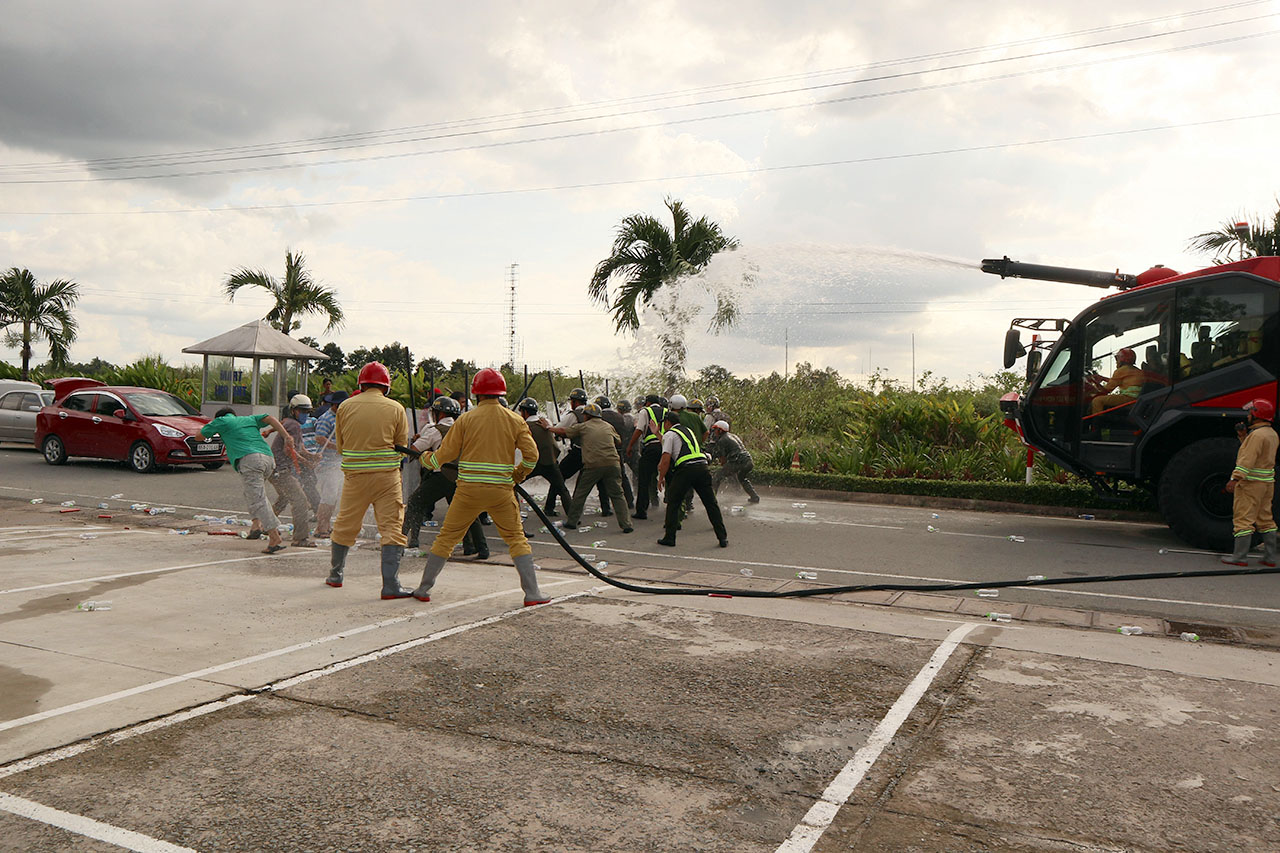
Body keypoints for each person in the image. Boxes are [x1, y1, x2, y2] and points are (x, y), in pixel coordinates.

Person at [410, 368, 549, 607]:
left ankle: (424, 588)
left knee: (446, 538)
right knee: (516, 539)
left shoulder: (466, 419)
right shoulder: (515, 419)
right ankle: (532, 593)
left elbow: (446, 454)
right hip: (501, 491)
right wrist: (518, 474)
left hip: (468, 492)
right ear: (500, 393)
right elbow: (531, 456)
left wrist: (426, 459)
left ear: (476, 394)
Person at [325, 362, 413, 599]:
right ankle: (390, 585)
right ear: (386, 386)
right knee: (393, 527)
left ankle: (336, 575)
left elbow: (342, 446)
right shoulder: (396, 408)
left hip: (355, 476)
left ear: (361, 384)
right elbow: (401, 445)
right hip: (387, 478)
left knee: (346, 522)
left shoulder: (344, 407)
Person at [401, 396, 488, 558]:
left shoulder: (435, 430)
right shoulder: (465, 429)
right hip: (463, 475)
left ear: (439, 414)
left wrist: (416, 442)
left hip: (441, 476)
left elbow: (414, 451)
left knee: (415, 502)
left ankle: (402, 541)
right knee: (467, 511)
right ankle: (479, 548)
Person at [199, 407, 294, 554]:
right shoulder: (248, 419)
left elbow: (199, 436)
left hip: (250, 460)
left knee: (258, 499)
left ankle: (274, 536)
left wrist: (215, 430)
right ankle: (255, 526)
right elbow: (270, 418)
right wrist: (286, 436)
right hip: (268, 459)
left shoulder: (221, 421)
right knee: (251, 493)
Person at [549, 402, 633, 532]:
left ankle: (572, 521)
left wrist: (549, 428)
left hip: (594, 465)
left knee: (580, 494)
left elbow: (564, 431)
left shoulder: (583, 427)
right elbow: (618, 441)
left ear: (587, 416)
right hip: (613, 464)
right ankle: (626, 524)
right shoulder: (608, 426)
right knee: (617, 495)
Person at [656, 408, 728, 548]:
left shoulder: (670, 434)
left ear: (668, 422)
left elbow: (665, 459)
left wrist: (660, 478)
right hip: (702, 467)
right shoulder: (688, 431)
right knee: (710, 503)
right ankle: (722, 537)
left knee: (673, 501)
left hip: (686, 470)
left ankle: (669, 538)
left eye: (663, 423)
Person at [1221, 398, 1279, 566]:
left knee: (1243, 519)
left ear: (1257, 415)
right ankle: (1270, 557)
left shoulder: (1257, 435)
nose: (1247, 416)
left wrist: (1234, 479)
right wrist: (1243, 437)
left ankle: (1239, 557)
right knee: (1266, 519)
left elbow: (1247, 459)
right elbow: (1260, 455)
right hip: (1266, 484)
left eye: (1250, 413)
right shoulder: (1271, 434)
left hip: (1250, 484)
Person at [268, 394, 318, 546]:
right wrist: (306, 462)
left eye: (307, 412)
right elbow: (288, 450)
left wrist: (312, 457)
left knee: (284, 498)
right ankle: (300, 538)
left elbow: (300, 448)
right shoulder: (294, 425)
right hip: (280, 469)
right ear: (293, 411)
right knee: (300, 501)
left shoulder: (293, 424)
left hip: (276, 469)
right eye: (302, 411)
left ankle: (264, 526)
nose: (305, 414)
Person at [517, 397, 573, 513]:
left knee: (512, 483)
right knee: (562, 489)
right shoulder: (546, 422)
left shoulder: (524, 426)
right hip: (550, 462)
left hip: (533, 463)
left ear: (525, 412)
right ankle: (572, 517)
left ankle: (511, 513)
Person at [311, 390, 348, 538]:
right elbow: (319, 438)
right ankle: (321, 527)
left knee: (333, 496)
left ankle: (326, 525)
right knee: (328, 496)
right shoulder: (326, 419)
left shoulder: (341, 418)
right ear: (336, 405)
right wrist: (338, 447)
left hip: (337, 462)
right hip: (327, 463)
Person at [626, 394, 666, 520]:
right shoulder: (666, 411)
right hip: (666, 447)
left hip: (651, 448)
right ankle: (674, 508)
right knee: (669, 477)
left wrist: (630, 445)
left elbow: (639, 430)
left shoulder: (645, 411)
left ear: (647, 403)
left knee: (644, 478)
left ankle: (641, 510)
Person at [595, 395, 635, 508]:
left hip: (603, 451)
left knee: (601, 479)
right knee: (622, 476)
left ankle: (605, 506)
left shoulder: (599, 417)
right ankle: (630, 501)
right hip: (618, 450)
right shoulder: (619, 417)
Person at [709, 420, 761, 504]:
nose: (714, 432)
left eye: (715, 430)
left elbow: (723, 459)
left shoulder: (722, 440)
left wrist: (724, 468)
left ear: (720, 430)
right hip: (748, 461)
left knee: (717, 476)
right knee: (742, 478)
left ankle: (711, 499)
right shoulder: (732, 436)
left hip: (739, 462)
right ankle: (754, 497)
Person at [1090, 347, 1144, 415]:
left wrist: (1095, 384)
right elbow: (1118, 381)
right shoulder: (1135, 370)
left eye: (1117, 358)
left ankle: (1097, 424)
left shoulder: (1121, 371)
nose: (1116, 361)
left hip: (1129, 399)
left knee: (1097, 401)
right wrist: (1103, 378)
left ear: (1122, 360)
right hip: (1136, 399)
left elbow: (1106, 390)